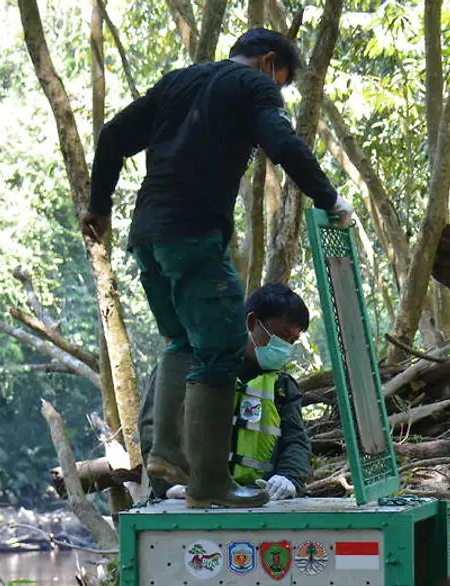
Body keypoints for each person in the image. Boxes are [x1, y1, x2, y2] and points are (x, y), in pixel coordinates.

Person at [82, 27, 354, 509]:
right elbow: (283, 144)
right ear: (270, 63)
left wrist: (99, 206)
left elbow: (114, 136)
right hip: (193, 235)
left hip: (146, 235)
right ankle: (209, 481)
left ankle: (167, 456)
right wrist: (330, 198)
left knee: (184, 341)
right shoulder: (254, 86)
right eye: (283, 82)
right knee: (225, 343)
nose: (279, 92)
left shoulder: (179, 81)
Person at [138, 283, 313, 502]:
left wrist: (289, 478)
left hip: (258, 501)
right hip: (187, 498)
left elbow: (296, 441)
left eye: (292, 341)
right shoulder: (189, 365)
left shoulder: (283, 386)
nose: (285, 347)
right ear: (251, 322)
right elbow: (151, 426)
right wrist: (168, 487)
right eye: (281, 336)